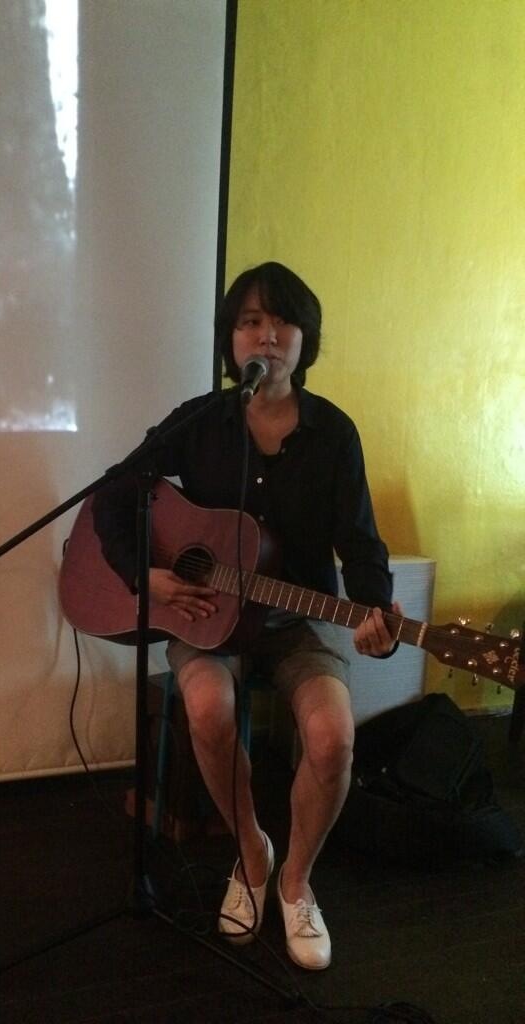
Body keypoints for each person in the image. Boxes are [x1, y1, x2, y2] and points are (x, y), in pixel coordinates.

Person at [92, 262, 399, 970]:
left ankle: (296, 881)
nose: (267, 335)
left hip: (298, 619)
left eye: (282, 321)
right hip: (207, 615)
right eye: (251, 322)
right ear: (231, 340)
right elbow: (114, 491)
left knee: (332, 738)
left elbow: (361, 543)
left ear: (305, 338)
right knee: (208, 709)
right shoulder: (201, 421)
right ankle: (252, 852)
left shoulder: (334, 434)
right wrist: (144, 574)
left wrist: (377, 615)